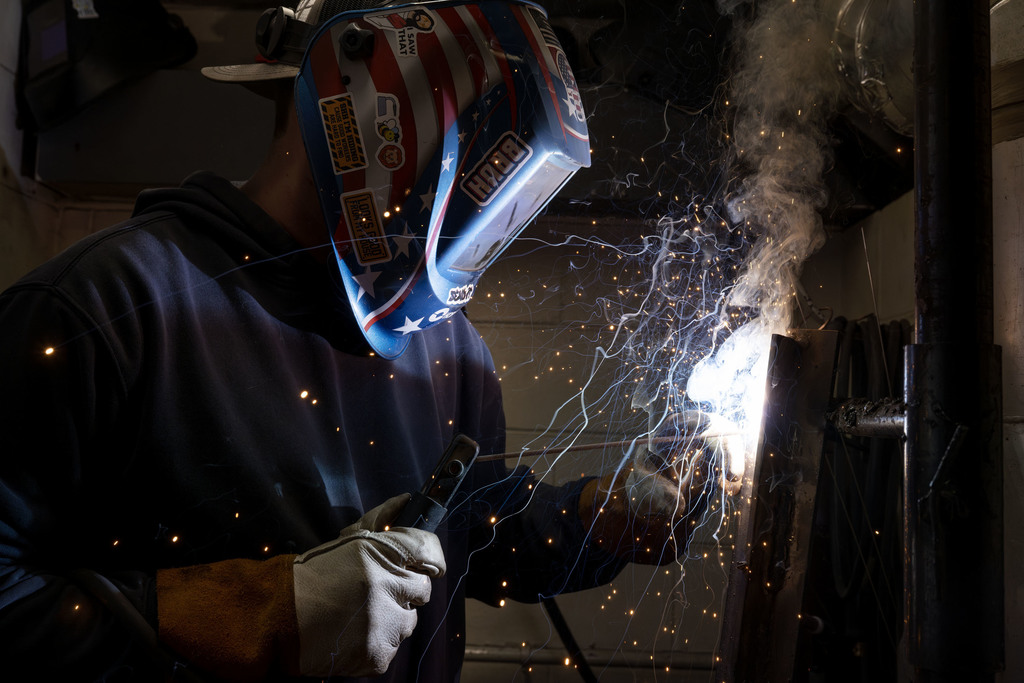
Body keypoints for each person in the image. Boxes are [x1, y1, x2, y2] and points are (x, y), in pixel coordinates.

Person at [0, 1, 712, 681]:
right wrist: (254, 614)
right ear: (383, 93)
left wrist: (599, 520)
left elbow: (475, 537)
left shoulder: (449, 352)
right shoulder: (104, 311)